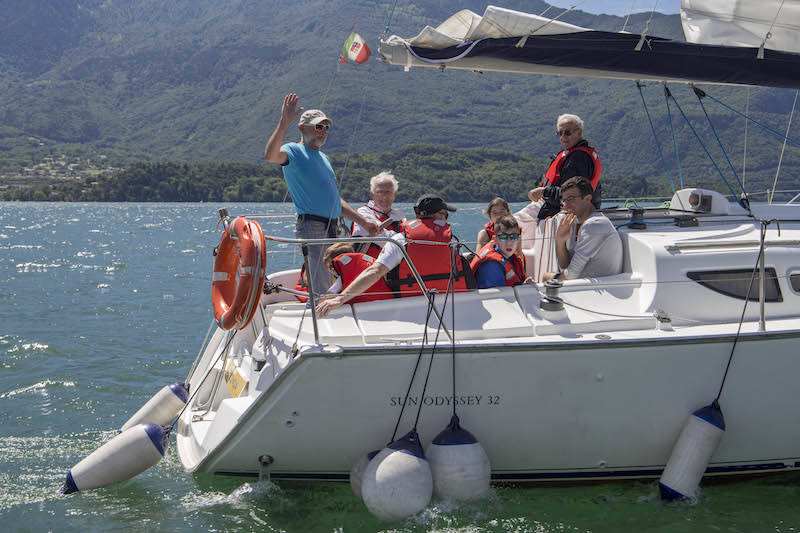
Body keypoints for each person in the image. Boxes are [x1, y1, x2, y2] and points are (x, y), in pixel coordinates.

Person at [264, 93, 378, 296]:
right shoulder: (293, 151)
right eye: (318, 127)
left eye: (326, 127)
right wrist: (284, 122)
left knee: (331, 277)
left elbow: (335, 200)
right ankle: (319, 315)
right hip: (312, 226)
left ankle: (325, 313)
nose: (323, 131)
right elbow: (271, 156)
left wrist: (365, 222)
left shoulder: (324, 158)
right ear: (302, 128)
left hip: (332, 227)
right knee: (321, 283)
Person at [316, 194, 475, 316]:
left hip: (407, 305)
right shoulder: (452, 240)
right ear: (438, 215)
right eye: (445, 213)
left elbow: (374, 271)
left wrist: (341, 299)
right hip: (451, 307)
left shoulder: (401, 240)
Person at [541, 176, 622, 281]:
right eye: (564, 201)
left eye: (570, 199)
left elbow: (571, 275)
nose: (566, 206)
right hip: (588, 285)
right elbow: (565, 265)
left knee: (546, 277)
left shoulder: (594, 225)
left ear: (587, 199)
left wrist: (548, 278)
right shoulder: (581, 223)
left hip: (596, 289)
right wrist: (560, 241)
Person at [532, 113, 602, 220]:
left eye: (567, 133)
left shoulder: (579, 158)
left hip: (565, 213)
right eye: (560, 133)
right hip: (552, 206)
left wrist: (543, 192)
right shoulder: (570, 154)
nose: (563, 137)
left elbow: (571, 194)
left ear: (579, 133)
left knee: (517, 223)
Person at [351, 171, 406, 258]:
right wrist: (405, 240)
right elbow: (382, 238)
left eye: (388, 192)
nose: (384, 196)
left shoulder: (399, 216)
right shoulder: (363, 214)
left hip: (394, 267)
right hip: (368, 267)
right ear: (372, 194)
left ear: (395, 194)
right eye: (380, 192)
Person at [323, 242, 394, 303]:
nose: (331, 270)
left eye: (331, 267)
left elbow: (330, 294)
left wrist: (322, 301)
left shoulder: (342, 279)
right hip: (385, 302)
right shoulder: (371, 266)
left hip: (360, 308)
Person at [470, 215, 525, 288]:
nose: (509, 243)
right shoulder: (491, 266)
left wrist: (525, 285)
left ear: (518, 239)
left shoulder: (509, 255)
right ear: (495, 239)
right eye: (503, 237)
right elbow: (496, 298)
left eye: (513, 237)